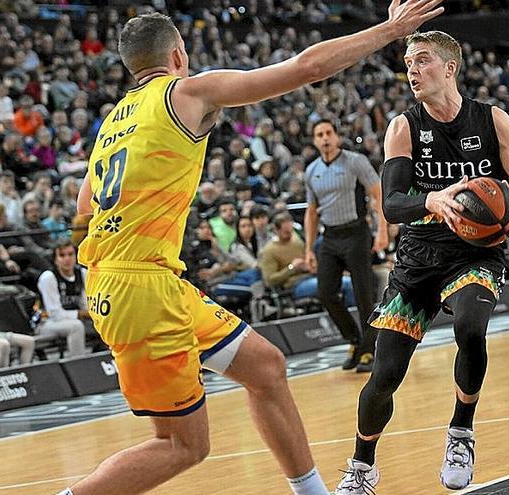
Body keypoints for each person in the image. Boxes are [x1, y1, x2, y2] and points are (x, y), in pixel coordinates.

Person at [66, 4, 445, 495]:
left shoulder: (112, 122)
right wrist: (392, 31)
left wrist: (97, 278)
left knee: (266, 368)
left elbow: (82, 207)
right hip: (142, 288)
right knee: (183, 445)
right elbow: (307, 68)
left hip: (133, 280)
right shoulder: (187, 91)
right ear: (179, 54)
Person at [335, 30, 509, 494]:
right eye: (408, 61)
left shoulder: (493, 121)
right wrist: (433, 199)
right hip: (418, 260)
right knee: (384, 376)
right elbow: (391, 205)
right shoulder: (403, 127)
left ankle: (461, 432)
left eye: (423, 60)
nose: (412, 69)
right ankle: (362, 463)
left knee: (470, 326)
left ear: (450, 68)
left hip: (474, 255)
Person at [304, 119, 388, 373]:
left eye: (329, 133)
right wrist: (308, 248)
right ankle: (355, 340)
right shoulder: (311, 170)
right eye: (320, 134)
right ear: (315, 140)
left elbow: (377, 193)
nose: (325, 138)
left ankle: (369, 351)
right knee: (326, 293)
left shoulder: (355, 161)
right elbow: (311, 211)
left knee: (364, 294)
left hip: (356, 232)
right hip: (329, 237)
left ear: (337, 136)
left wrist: (382, 230)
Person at [260, 212, 355, 310]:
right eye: (286, 232)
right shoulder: (269, 251)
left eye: (291, 230)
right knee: (343, 284)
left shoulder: (296, 240)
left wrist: (310, 265)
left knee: (348, 280)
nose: (289, 234)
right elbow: (270, 280)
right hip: (294, 286)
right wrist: (291, 268)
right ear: (276, 230)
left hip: (311, 276)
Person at [35, 241, 96, 358]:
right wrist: (82, 314)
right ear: (55, 259)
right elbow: (55, 314)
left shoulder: (83, 273)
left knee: (106, 322)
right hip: (46, 323)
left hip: (76, 319)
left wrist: (92, 314)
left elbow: (86, 303)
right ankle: (78, 363)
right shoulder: (48, 278)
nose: (67, 259)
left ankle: (103, 362)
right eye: (62, 255)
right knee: (76, 326)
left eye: (70, 254)